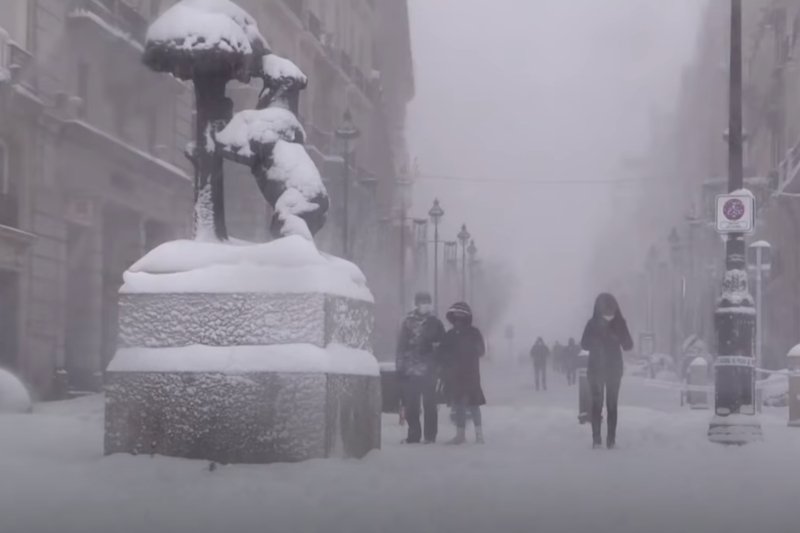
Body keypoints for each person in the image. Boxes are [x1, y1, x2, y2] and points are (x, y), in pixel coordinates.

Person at [580, 293, 633, 449]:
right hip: (599, 369)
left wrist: (618, 337)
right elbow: (584, 344)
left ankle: (608, 439)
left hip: (610, 369)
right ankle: (600, 439)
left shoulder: (617, 324)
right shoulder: (593, 324)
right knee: (601, 404)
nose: (608, 315)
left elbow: (628, 345)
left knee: (608, 405)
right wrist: (598, 342)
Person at [395, 292, 446, 444]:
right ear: (416, 304)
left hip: (429, 370)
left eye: (427, 302)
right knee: (412, 406)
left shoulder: (435, 323)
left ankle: (430, 436)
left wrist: (436, 354)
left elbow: (443, 345)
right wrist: (400, 367)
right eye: (422, 302)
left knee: (430, 404)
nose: (425, 305)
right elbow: (401, 346)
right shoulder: (408, 322)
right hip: (411, 370)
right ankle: (414, 435)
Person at [438, 302, 486, 445]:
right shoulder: (450, 335)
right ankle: (460, 435)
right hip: (455, 376)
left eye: (461, 316)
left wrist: (469, 350)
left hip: (471, 374)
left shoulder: (474, 333)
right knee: (458, 405)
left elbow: (481, 351)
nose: (458, 319)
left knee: (474, 404)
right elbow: (442, 353)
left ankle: (479, 435)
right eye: (456, 316)